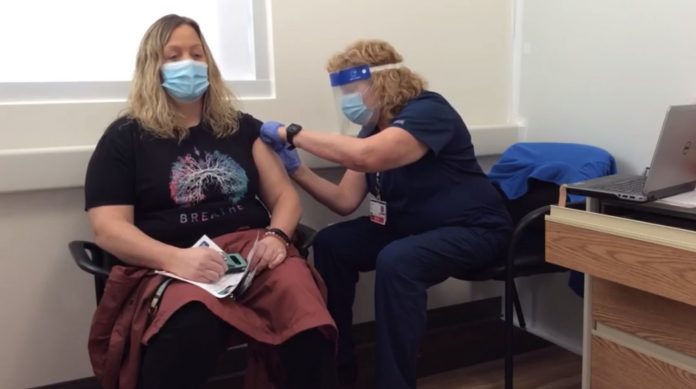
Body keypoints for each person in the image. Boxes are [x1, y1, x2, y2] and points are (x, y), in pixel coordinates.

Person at [84, 14, 337, 389]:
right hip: (171, 263)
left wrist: (277, 237)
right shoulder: (125, 138)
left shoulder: (239, 126)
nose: (188, 63)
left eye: (196, 54)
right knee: (190, 328)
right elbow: (108, 229)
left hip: (251, 255)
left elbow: (284, 198)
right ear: (153, 67)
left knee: (305, 316)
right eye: (173, 56)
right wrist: (178, 259)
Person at [260, 40, 513, 389]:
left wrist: (292, 134)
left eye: (351, 89)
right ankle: (336, 370)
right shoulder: (372, 129)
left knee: (398, 260)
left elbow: (365, 156)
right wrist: (297, 170)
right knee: (333, 243)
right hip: (410, 228)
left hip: (475, 229)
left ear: (381, 82)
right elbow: (345, 200)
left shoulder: (430, 111)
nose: (346, 99)